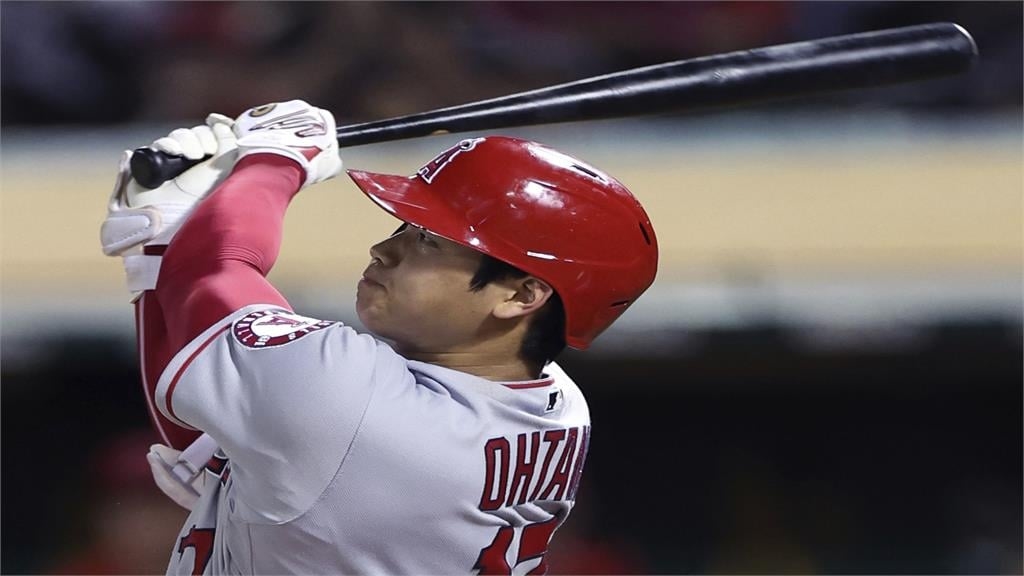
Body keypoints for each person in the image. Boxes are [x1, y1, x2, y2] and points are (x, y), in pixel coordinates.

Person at [100, 100, 658, 574]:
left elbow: (210, 272)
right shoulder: (553, 404)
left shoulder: (358, 406)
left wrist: (277, 159)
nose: (384, 250)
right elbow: (213, 409)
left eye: (430, 241)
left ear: (521, 296)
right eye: (406, 229)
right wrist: (168, 243)